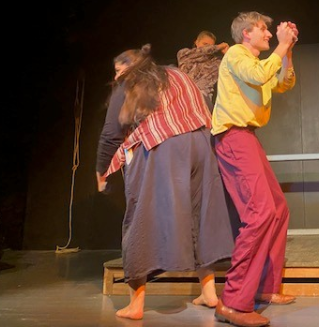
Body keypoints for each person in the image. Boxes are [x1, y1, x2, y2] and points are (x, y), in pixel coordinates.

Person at [96, 44, 235, 320]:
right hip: (201, 144)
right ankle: (209, 293)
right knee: (200, 216)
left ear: (131, 67)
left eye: (119, 70)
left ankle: (136, 305)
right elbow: (204, 107)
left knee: (141, 219)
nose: (117, 76)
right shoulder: (177, 74)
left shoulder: (130, 82)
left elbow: (111, 133)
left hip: (163, 147)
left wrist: (101, 170)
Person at [211, 11, 298, 327]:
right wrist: (281, 47)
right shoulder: (236, 54)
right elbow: (259, 76)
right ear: (246, 33)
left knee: (278, 209)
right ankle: (233, 302)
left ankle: (265, 288)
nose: (269, 34)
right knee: (259, 213)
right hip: (233, 136)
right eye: (263, 29)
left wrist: (287, 50)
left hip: (248, 136)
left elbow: (283, 82)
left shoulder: (260, 61)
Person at [177, 30, 229, 111]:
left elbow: (231, 68)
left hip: (204, 99)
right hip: (183, 96)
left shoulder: (216, 62)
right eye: (205, 44)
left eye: (210, 46)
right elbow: (203, 51)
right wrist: (219, 47)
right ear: (196, 42)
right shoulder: (184, 54)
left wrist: (227, 54)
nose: (207, 48)